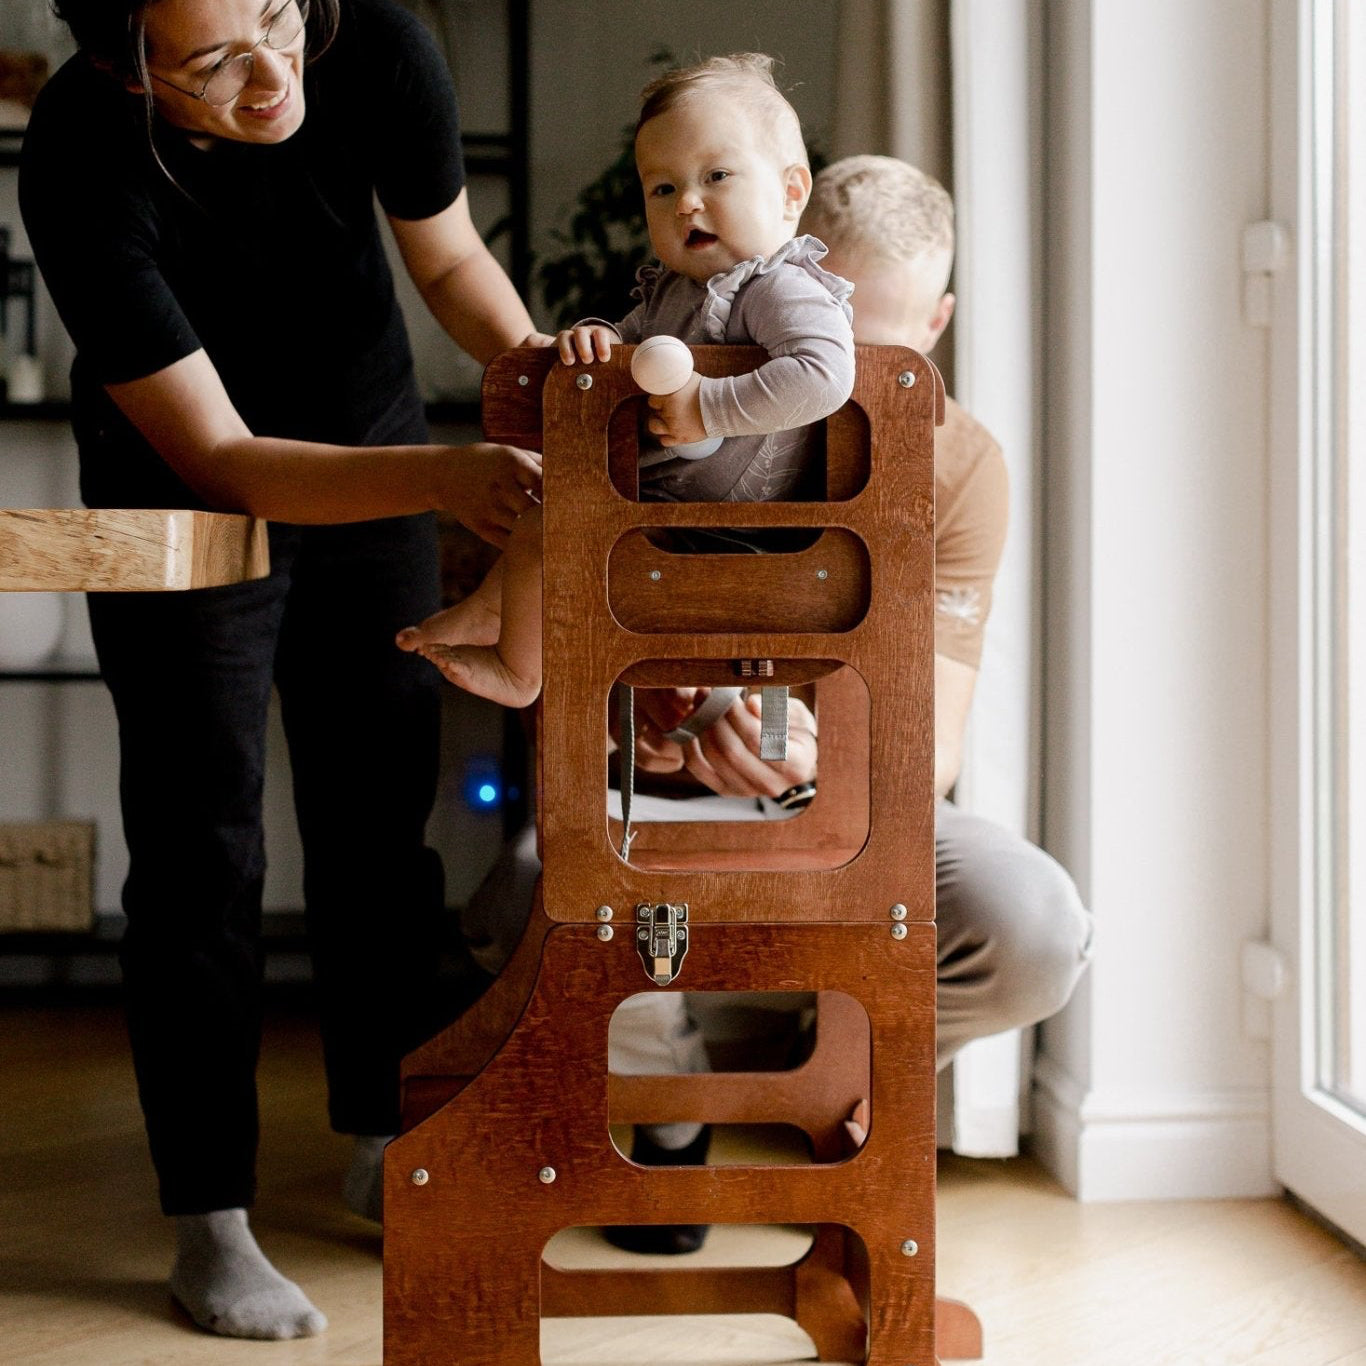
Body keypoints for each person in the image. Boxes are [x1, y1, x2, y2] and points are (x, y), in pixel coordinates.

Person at [449, 154, 1095, 1255]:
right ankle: (667, 1092)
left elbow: (927, 747)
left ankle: (842, 1076)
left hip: (849, 807)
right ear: (763, 292)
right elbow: (548, 671)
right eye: (818, 332)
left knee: (1029, 924)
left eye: (883, 345)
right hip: (639, 806)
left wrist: (794, 749)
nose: (844, 376)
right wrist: (661, 717)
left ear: (937, 323)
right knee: (526, 897)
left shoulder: (960, 461)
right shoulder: (660, 420)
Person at [19, 0, 547, 1340]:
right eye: (214, 61)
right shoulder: (78, 150)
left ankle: (383, 1134)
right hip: (177, 492)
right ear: (119, 65)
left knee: (379, 821)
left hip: (365, 441)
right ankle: (210, 1219)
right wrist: (445, 476)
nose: (274, 76)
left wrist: (544, 375)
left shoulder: (368, 37)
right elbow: (221, 457)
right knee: (203, 848)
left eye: (277, 17)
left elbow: (445, 263)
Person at [400, 52, 855, 708]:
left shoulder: (778, 286)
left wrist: (709, 405)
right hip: (667, 509)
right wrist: (599, 340)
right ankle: (494, 618)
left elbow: (824, 376)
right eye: (662, 188)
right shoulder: (672, 293)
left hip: (739, 534)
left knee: (555, 526)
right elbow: (625, 348)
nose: (687, 202)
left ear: (790, 192)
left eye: (716, 175)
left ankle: (521, 672)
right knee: (544, 519)